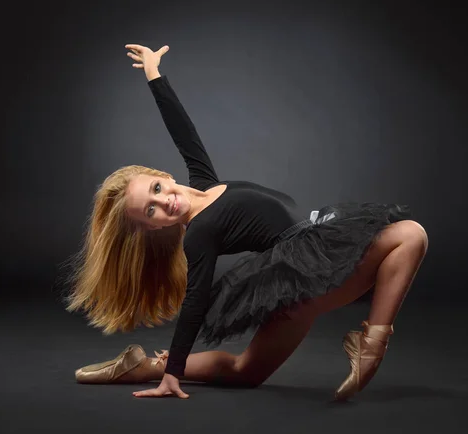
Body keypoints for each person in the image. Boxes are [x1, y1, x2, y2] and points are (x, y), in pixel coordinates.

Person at [64, 43, 429, 401]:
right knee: (410, 235)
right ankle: (371, 346)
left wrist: (153, 73)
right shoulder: (200, 234)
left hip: (300, 278)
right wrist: (176, 374)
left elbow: (183, 131)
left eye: (156, 189)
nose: (164, 201)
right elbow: (195, 301)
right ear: (155, 227)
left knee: (245, 373)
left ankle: (143, 366)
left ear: (162, 175)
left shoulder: (204, 182)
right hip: (303, 275)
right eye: (151, 211)